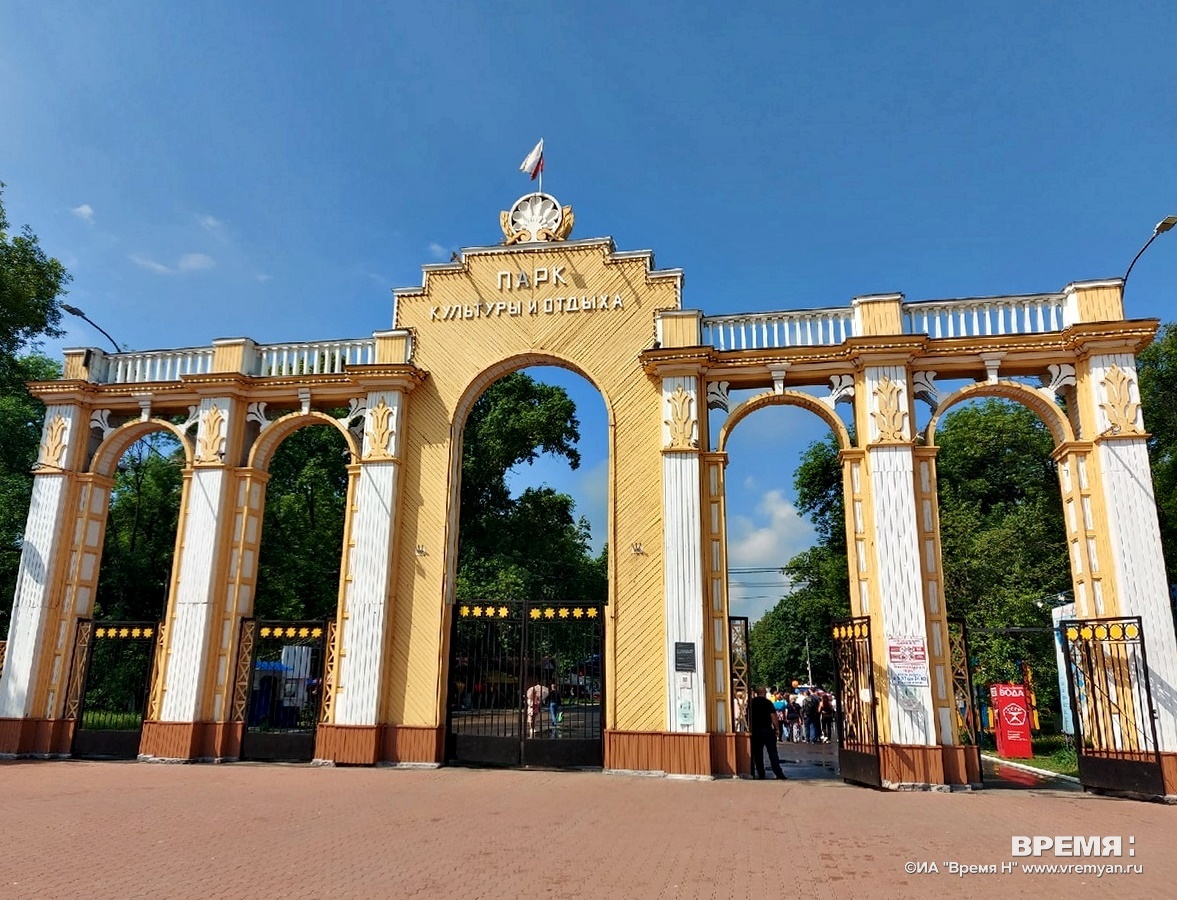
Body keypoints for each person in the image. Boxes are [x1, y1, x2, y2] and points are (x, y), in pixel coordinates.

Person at [747, 687, 788, 780]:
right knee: (772, 752)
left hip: (755, 730)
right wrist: (777, 729)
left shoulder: (751, 703)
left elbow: (747, 716)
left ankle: (761, 773)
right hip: (767, 729)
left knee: (757, 754)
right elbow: (773, 716)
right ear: (763, 693)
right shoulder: (768, 703)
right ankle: (778, 772)